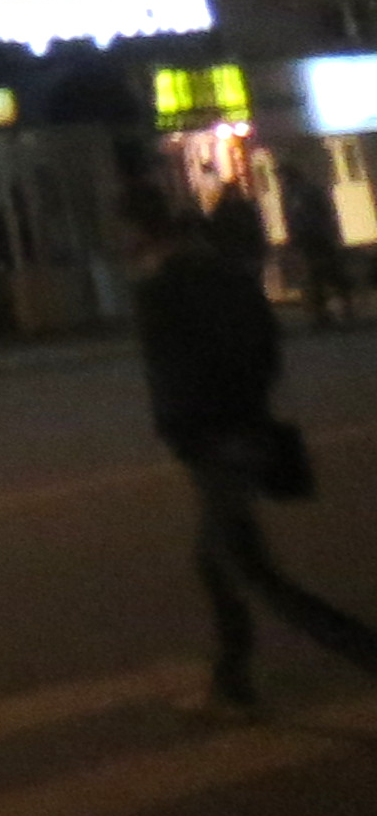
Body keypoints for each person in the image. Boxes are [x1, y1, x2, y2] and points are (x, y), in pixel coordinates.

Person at [124, 188, 377, 715]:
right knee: (216, 559)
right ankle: (231, 677)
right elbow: (262, 346)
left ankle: (361, 653)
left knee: (249, 569)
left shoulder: (166, 286)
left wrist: (194, 428)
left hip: (214, 437)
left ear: (138, 229)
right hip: (238, 427)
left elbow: (176, 372)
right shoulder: (217, 272)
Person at [276, 159, 351, 329]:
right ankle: (322, 313)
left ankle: (341, 308)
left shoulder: (307, 191)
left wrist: (331, 233)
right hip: (306, 239)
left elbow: (323, 213)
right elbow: (290, 218)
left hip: (318, 237)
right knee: (315, 277)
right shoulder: (289, 194)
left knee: (328, 273)